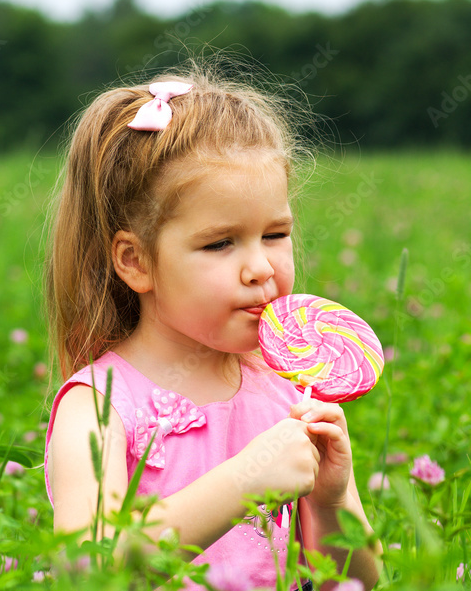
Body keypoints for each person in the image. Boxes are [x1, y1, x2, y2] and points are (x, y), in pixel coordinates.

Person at [43, 62, 379, 590]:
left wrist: (333, 499)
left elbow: (355, 582)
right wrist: (244, 481)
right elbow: (84, 568)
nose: (261, 268)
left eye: (274, 234)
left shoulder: (288, 392)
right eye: (220, 243)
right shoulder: (101, 405)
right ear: (136, 261)